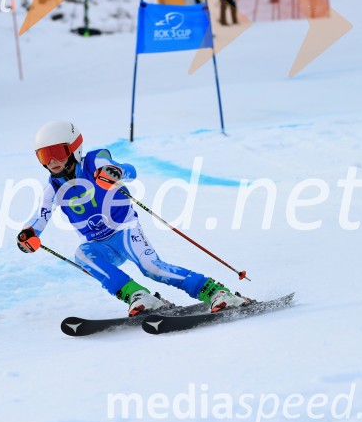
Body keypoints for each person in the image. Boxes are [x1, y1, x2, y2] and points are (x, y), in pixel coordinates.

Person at [17, 121, 249, 317]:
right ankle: (139, 296)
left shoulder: (94, 161)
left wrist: (113, 173)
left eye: (56, 153)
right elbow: (41, 216)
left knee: (152, 268)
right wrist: (29, 234)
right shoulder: (53, 188)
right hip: (99, 245)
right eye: (44, 156)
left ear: (74, 149)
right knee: (82, 255)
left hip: (125, 231)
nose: (51, 162)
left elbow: (126, 169)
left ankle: (215, 292)